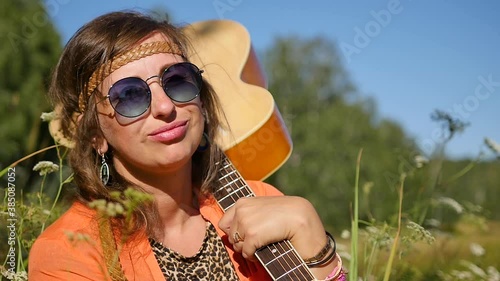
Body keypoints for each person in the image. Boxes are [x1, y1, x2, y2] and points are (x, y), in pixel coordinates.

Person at [28, 11, 346, 281]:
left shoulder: (262, 203)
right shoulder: (68, 250)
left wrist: (321, 253)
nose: (165, 106)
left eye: (177, 79)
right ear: (96, 135)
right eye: (129, 95)